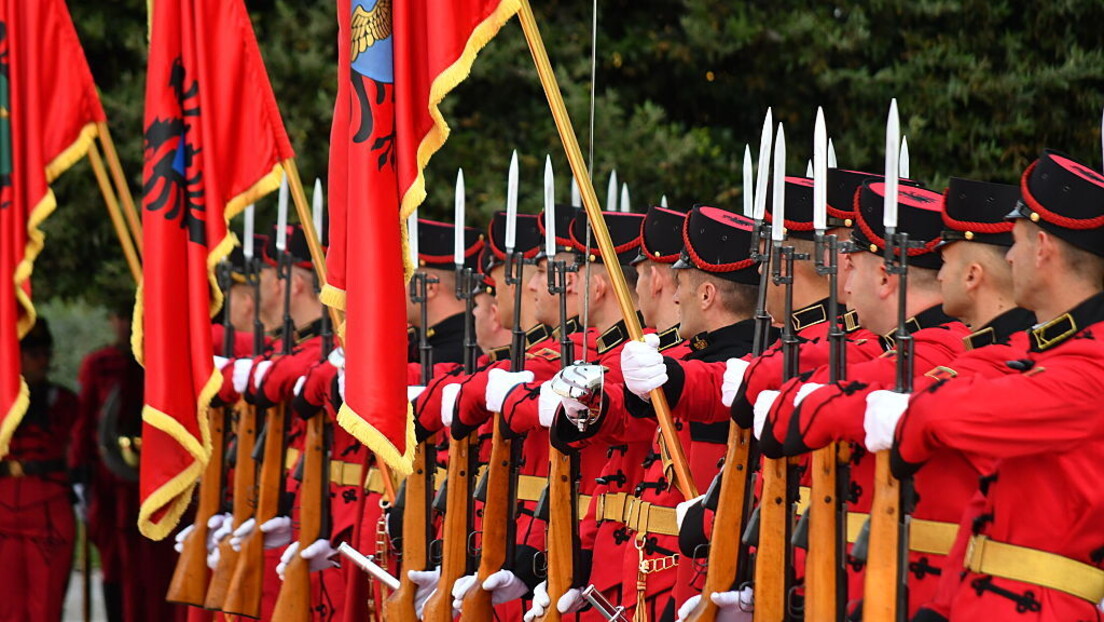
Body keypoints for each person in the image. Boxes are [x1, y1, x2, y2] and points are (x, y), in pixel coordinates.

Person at [876, 150, 1104, 621]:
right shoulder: (1057, 348)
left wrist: (914, 416)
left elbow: (953, 413)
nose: (1012, 257)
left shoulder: (1092, 360)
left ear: (1043, 247)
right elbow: (988, 507)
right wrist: (943, 606)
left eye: (1016, 243)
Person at [72, 303, 186, 621]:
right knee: (117, 566)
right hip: (113, 486)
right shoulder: (99, 364)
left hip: (165, 480)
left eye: (131, 318)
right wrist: (79, 475)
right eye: (120, 318)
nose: (126, 325)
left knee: (161, 566)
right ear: (112, 321)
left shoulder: (167, 360)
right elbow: (86, 423)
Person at [0, 318, 80, 621]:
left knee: (44, 607)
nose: (43, 360)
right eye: (33, 353)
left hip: (48, 511)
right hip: (3, 508)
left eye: (45, 353)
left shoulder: (64, 401)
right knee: (6, 608)